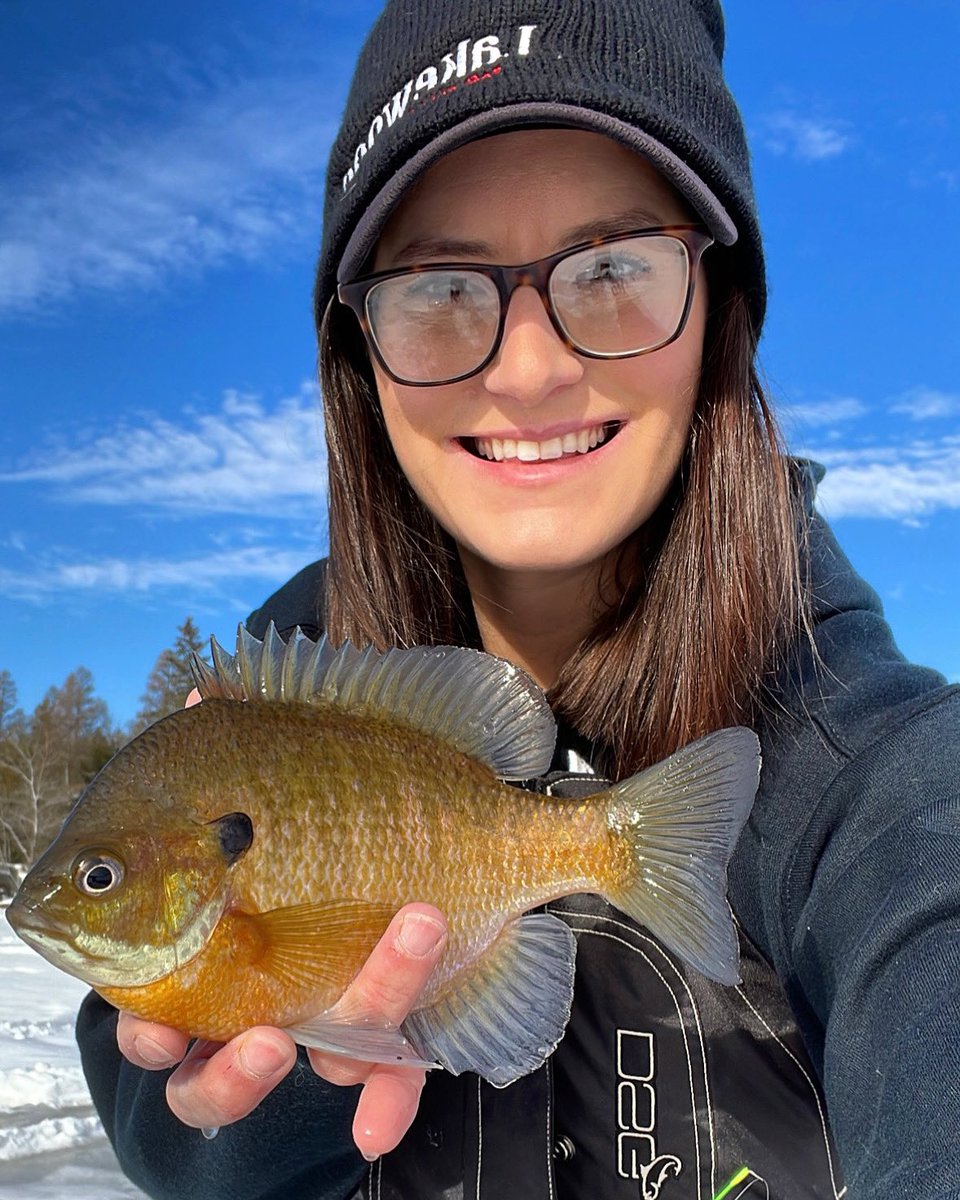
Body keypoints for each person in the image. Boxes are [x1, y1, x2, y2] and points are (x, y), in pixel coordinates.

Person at [76, 1, 960, 1197]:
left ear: (720, 312)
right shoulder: (243, 721)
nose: (532, 366)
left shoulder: (886, 783)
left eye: (611, 270)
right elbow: (150, 1110)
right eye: (441, 287)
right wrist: (257, 1108)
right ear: (359, 358)